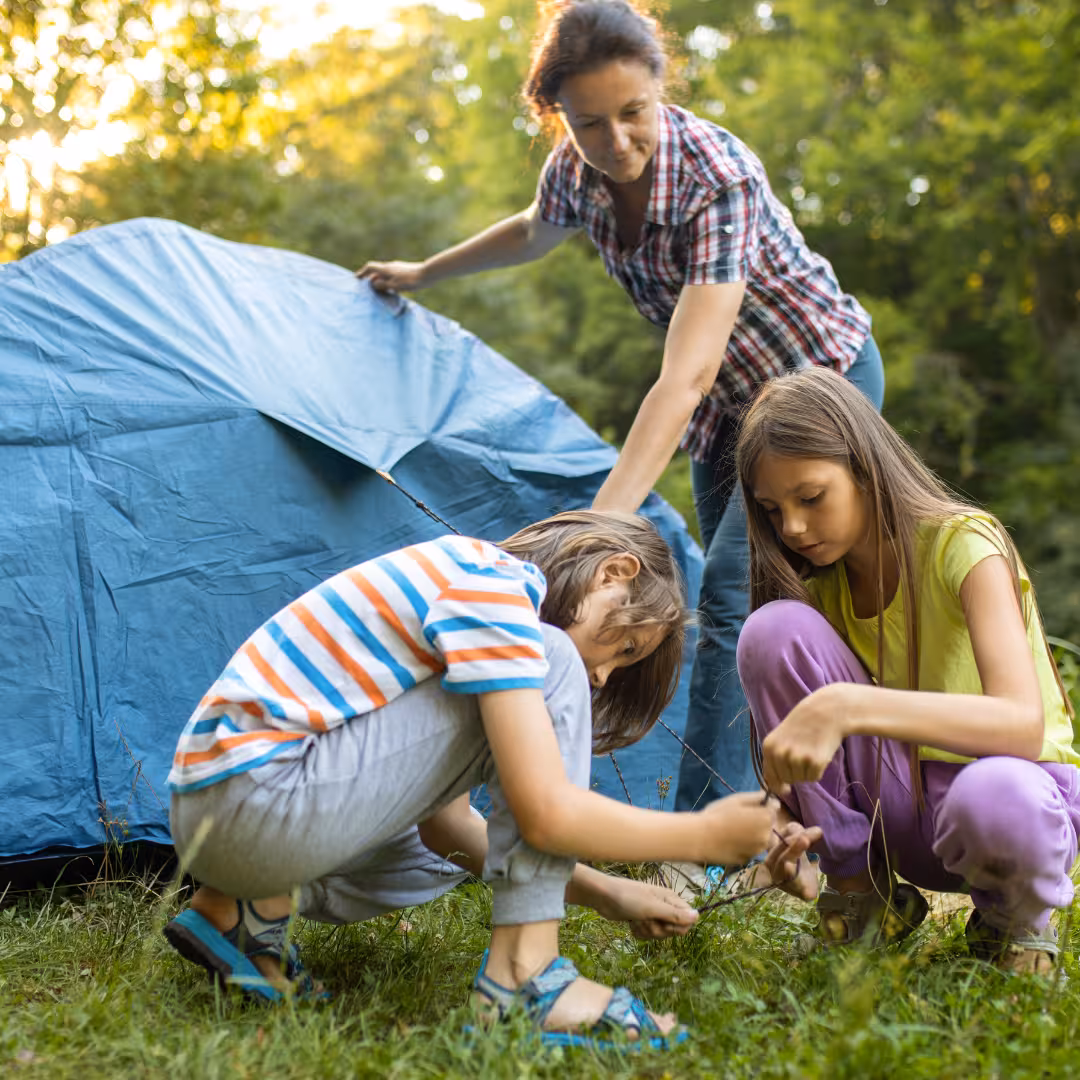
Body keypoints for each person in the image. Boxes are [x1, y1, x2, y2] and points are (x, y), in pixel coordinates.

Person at [358, 0, 885, 813]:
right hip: (728, 411)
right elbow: (530, 232)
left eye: (633, 113)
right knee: (736, 600)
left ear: (660, 87)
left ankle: (707, 842)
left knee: (735, 596)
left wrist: (597, 525)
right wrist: (423, 273)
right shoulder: (576, 173)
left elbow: (686, 375)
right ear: (557, 116)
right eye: (588, 123)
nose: (616, 141)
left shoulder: (718, 179)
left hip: (818, 381)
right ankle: (767, 814)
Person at [162, 510, 778, 1045]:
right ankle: (525, 979)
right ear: (613, 574)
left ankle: (244, 912)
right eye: (626, 650)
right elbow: (543, 812)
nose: (602, 678)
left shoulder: (469, 588)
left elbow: (446, 829)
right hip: (261, 798)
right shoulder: (496, 585)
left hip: (224, 812)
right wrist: (701, 835)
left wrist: (606, 893)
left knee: (448, 856)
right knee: (554, 657)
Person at [733, 368, 1080, 973]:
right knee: (770, 631)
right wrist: (782, 818)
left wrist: (847, 706)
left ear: (865, 468)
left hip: (1015, 810)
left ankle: (1014, 924)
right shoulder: (821, 590)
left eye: (810, 498)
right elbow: (819, 765)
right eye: (772, 510)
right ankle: (862, 901)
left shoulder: (963, 544)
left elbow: (1021, 727)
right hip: (904, 817)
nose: (791, 527)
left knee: (995, 794)